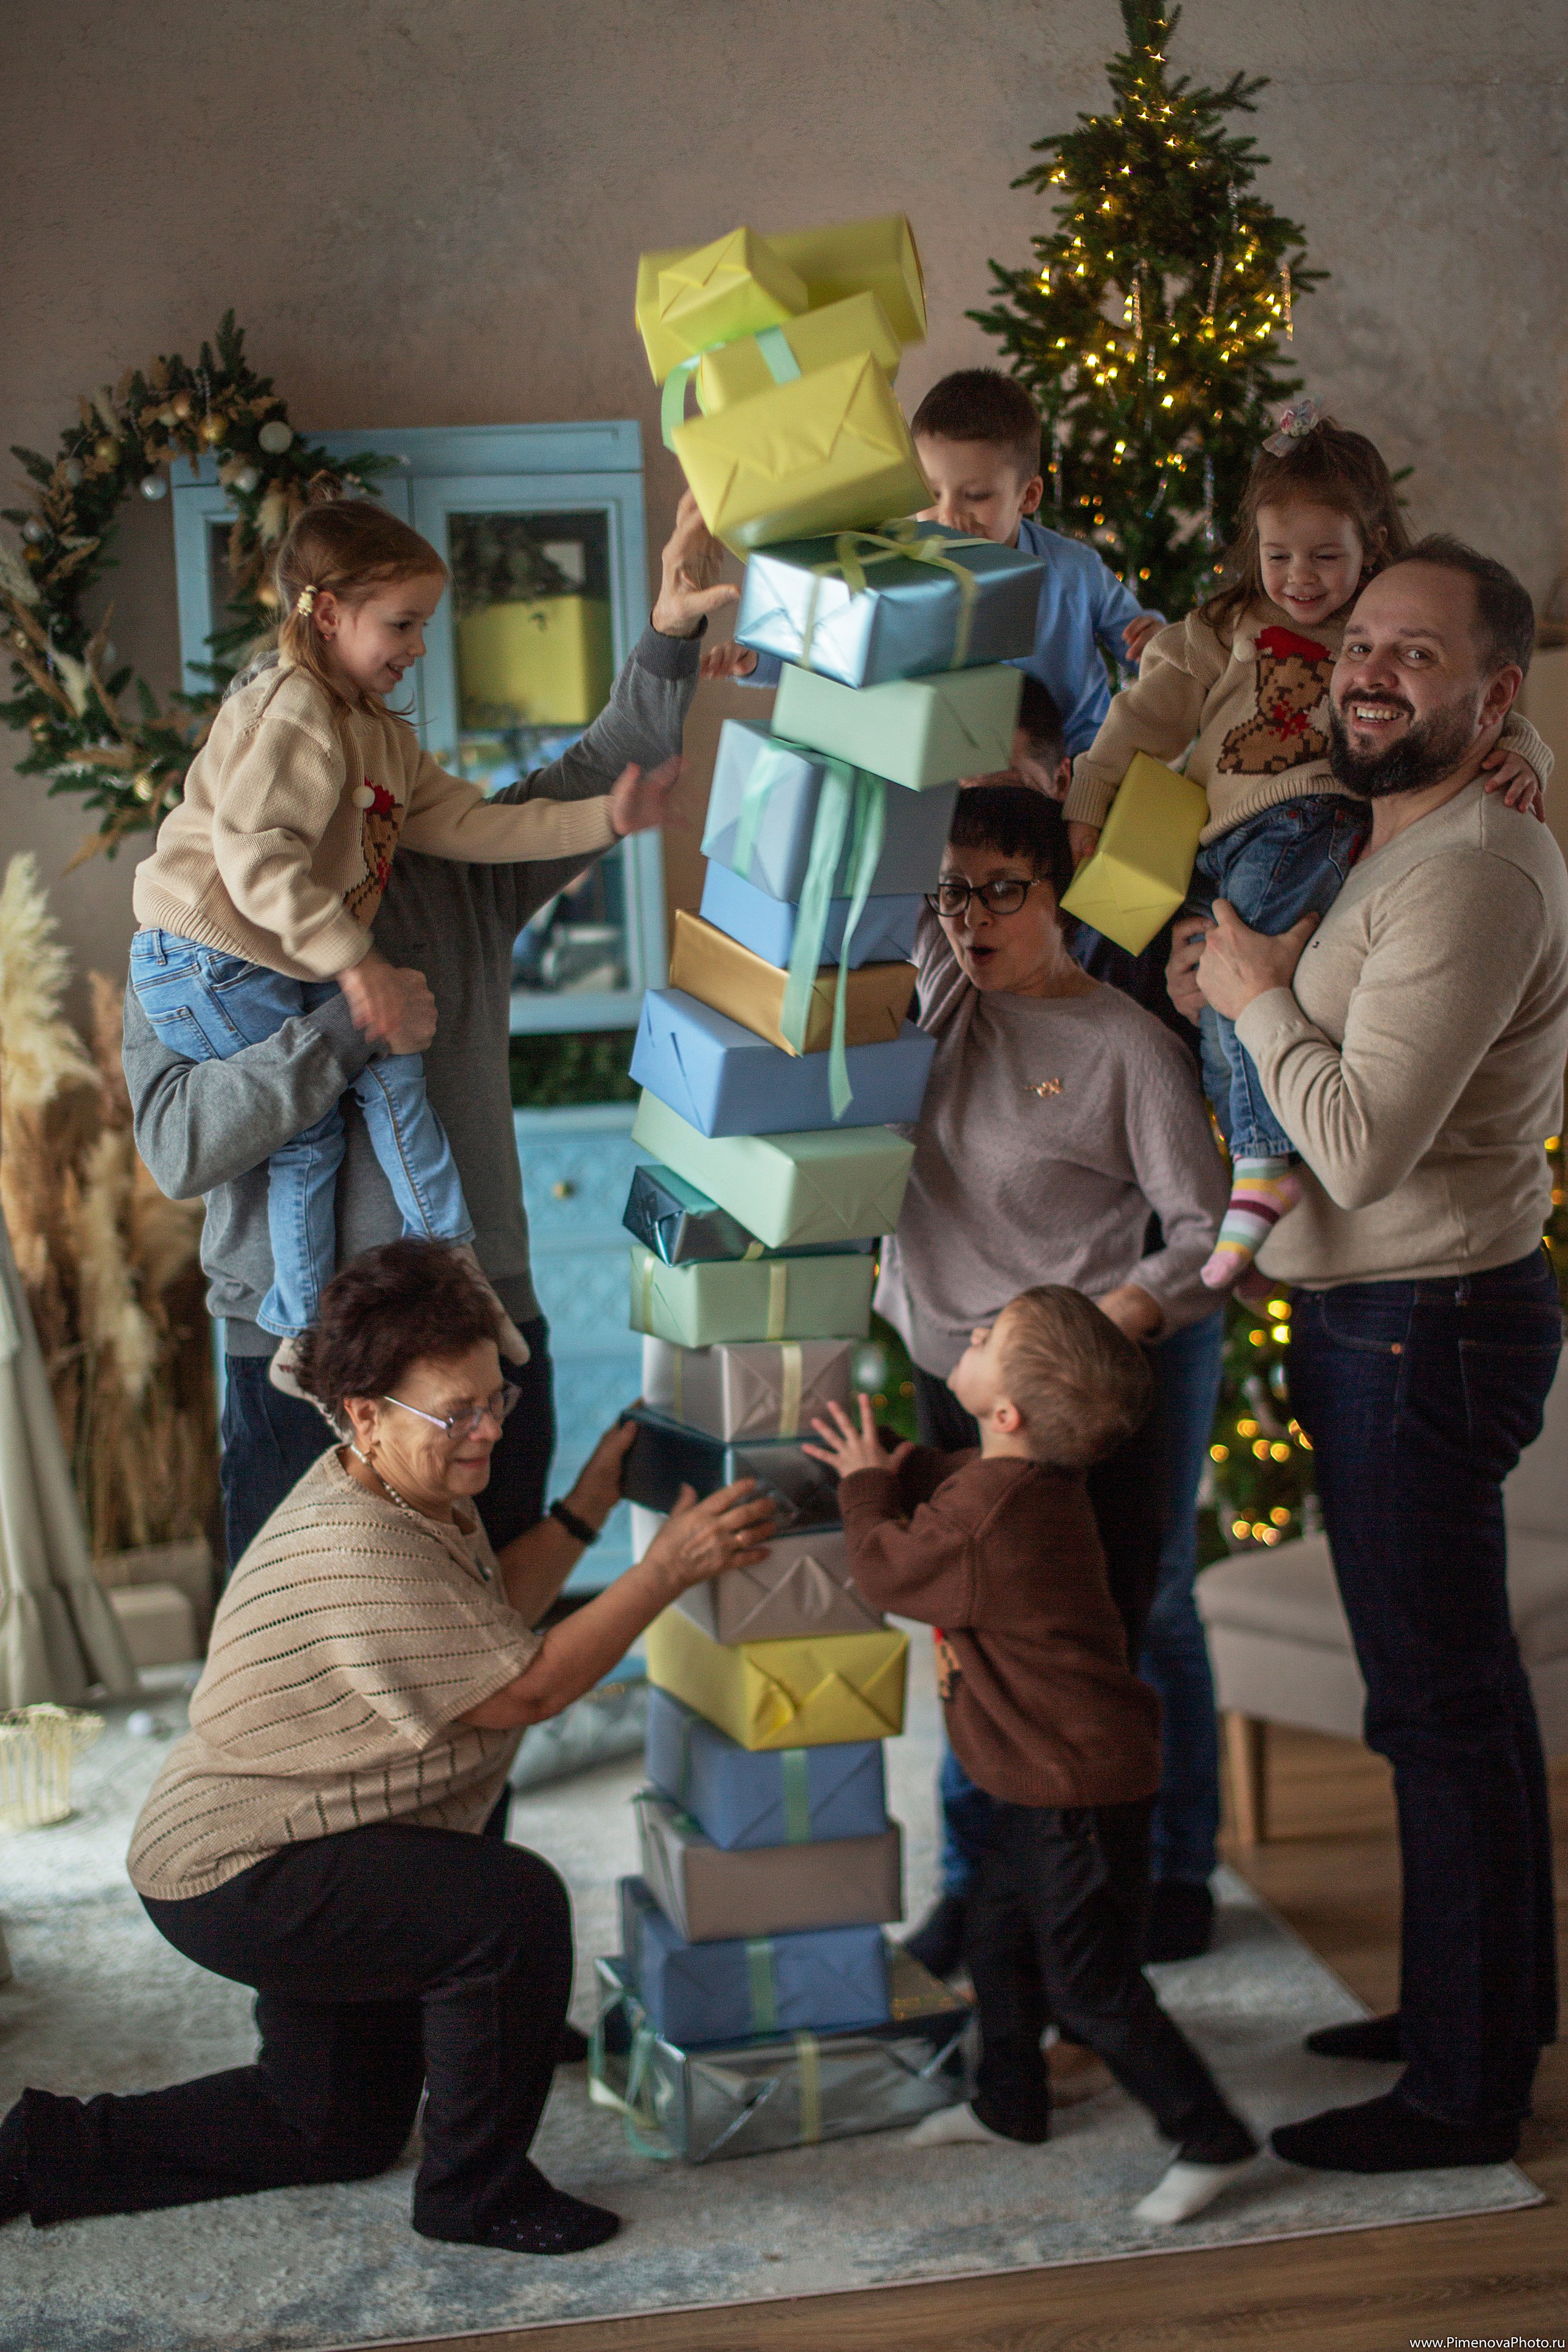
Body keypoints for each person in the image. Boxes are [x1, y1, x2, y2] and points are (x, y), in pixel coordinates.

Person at [0, 1240, 777, 2253]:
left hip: (293, 1830)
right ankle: (475, 2193)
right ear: (363, 1414)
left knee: (330, 2127)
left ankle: (34, 2153)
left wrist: (585, 1504)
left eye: (496, 1399)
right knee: (511, 1911)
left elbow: (486, 1619)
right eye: (456, 1413)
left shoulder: (399, 1492)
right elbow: (526, 1686)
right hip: (243, 1863)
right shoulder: (360, 1547)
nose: (488, 1430)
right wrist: (671, 1566)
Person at [123, 494, 731, 1572]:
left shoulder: (448, 872)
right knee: (312, 1695)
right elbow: (177, 1149)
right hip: (297, 1365)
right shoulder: (204, 927)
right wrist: (350, 1027)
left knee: (494, 1647)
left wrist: (671, 632)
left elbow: (593, 780)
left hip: (478, 1327)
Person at [1175, 537, 1568, 2173]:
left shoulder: (1475, 870)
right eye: (1361, 642)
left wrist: (1256, 993)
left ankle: (1466, 2096)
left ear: (1496, 694)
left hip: (1424, 1321)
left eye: (1418, 652)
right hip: (1383, 1321)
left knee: (1440, 1706)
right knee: (1446, 1695)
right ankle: (1470, 2014)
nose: (1370, 669)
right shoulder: (1382, 832)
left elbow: (1361, 1149)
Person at [1067, 406, 1551, 1290]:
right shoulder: (1221, 630)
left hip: (1306, 823)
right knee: (1179, 971)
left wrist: (1527, 748)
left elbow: (1487, 690)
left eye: (1326, 558)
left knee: (1238, 980)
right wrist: (1093, 803)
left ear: (1369, 546)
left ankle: (1258, 1167)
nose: (1301, 582)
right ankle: (1239, 1161)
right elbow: (1139, 719)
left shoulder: (1469, 855)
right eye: (1278, 556)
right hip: (1212, 840)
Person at [804, 1289, 1257, 2224]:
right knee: (995, 1938)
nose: (964, 1338)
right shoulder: (1017, 1482)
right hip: (1039, 1773)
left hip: (1077, 1789)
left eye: (983, 1341)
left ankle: (1209, 2134)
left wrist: (861, 1482)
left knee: (1092, 1987)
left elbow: (889, 1567)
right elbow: (954, 1480)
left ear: (1005, 1412)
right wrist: (901, 1463)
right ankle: (1010, 2104)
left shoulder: (987, 1518)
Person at [877, 783, 1229, 1983]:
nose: (968, 915)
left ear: (1057, 895)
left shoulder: (1122, 1046)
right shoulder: (934, 984)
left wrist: (1098, 1322)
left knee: (1094, 1663)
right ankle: (981, 1902)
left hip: (1071, 1408)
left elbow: (1209, 1238)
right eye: (952, 890)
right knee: (963, 1641)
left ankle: (1117, 1918)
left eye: (1000, 891)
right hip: (945, 1372)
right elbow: (876, 781)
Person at [700, 368, 1163, 736]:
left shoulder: (1074, 570)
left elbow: (1141, 647)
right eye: (930, 491)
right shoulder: (897, 567)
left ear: (1028, 497)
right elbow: (835, 645)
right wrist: (759, 661)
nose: (948, 515)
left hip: (1069, 760)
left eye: (976, 496)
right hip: (953, 769)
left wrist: (1152, 641)